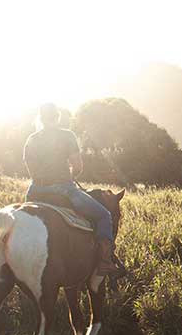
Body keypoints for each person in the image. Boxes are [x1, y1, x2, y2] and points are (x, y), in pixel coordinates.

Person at [23, 103, 119, 275]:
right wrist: (71, 175)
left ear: (41, 118)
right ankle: (105, 262)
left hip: (35, 192)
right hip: (63, 189)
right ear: (57, 117)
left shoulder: (31, 139)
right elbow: (78, 166)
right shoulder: (67, 136)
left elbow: (31, 171)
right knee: (104, 215)